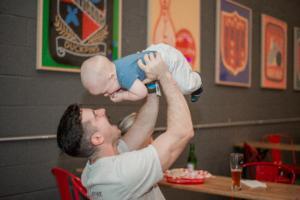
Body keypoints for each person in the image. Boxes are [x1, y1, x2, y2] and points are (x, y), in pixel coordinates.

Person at [57, 53, 194, 200]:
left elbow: (142, 127)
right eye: (96, 116)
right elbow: (182, 132)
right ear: (97, 138)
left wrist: (151, 84)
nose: (102, 110)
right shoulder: (121, 174)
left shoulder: (96, 168)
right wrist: (164, 75)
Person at [80, 43, 203, 103]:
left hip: (166, 59)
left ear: (111, 77)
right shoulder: (115, 67)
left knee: (185, 88)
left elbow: (142, 92)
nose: (107, 94)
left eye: (105, 91)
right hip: (153, 51)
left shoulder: (124, 76)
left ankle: (196, 81)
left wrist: (124, 96)